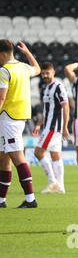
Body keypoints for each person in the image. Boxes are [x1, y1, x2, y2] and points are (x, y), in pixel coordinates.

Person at [0, 40, 40, 208]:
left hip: (9, 118)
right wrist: (28, 53)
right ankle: (1, 200)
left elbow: (1, 97)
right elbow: (37, 69)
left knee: (17, 156)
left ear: (2, 54)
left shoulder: (4, 71)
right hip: (19, 117)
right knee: (3, 158)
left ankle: (31, 199)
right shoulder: (23, 67)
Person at [33, 62, 69, 194]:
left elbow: (66, 106)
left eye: (47, 72)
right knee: (55, 156)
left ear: (53, 72)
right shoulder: (46, 88)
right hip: (48, 126)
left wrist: (65, 126)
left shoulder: (58, 86)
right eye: (43, 73)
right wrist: (39, 124)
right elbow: (46, 110)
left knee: (38, 153)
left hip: (53, 127)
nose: (45, 75)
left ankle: (52, 181)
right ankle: (60, 187)